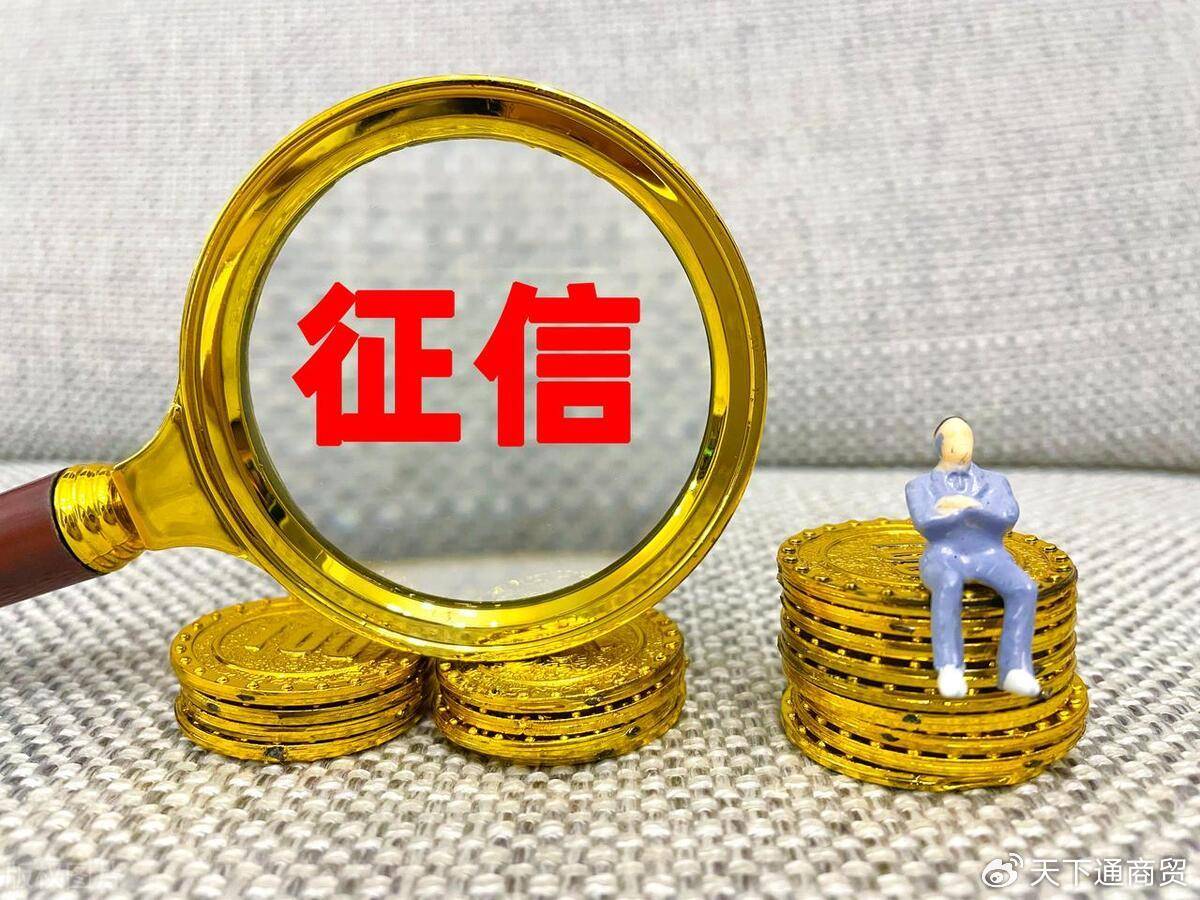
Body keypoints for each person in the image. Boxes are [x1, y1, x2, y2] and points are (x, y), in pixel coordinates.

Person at [904, 417, 1040, 699]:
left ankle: (1015, 667)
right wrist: (974, 513)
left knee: (1024, 588)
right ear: (940, 446)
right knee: (948, 583)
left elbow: (1008, 516)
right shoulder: (919, 486)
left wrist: (966, 507)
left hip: (989, 553)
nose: (962, 445)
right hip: (943, 555)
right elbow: (926, 522)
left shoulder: (996, 481)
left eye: (966, 438)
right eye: (954, 439)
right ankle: (949, 666)